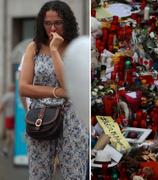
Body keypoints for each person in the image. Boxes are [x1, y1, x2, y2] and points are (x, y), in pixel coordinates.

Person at [19, 1, 88, 179]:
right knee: (39, 174)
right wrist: (56, 92)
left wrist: (55, 50)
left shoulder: (76, 48)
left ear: (67, 22)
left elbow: (69, 85)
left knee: (74, 173)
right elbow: (24, 87)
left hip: (71, 117)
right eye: (47, 23)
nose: (52, 28)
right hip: (41, 116)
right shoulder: (33, 47)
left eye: (57, 22)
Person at [0, 83, 15, 157]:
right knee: (10, 133)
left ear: (9, 88)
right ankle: (6, 150)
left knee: (10, 133)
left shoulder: (7, 96)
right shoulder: (16, 95)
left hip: (9, 116)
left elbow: (1, 106)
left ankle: (14, 148)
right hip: (15, 117)